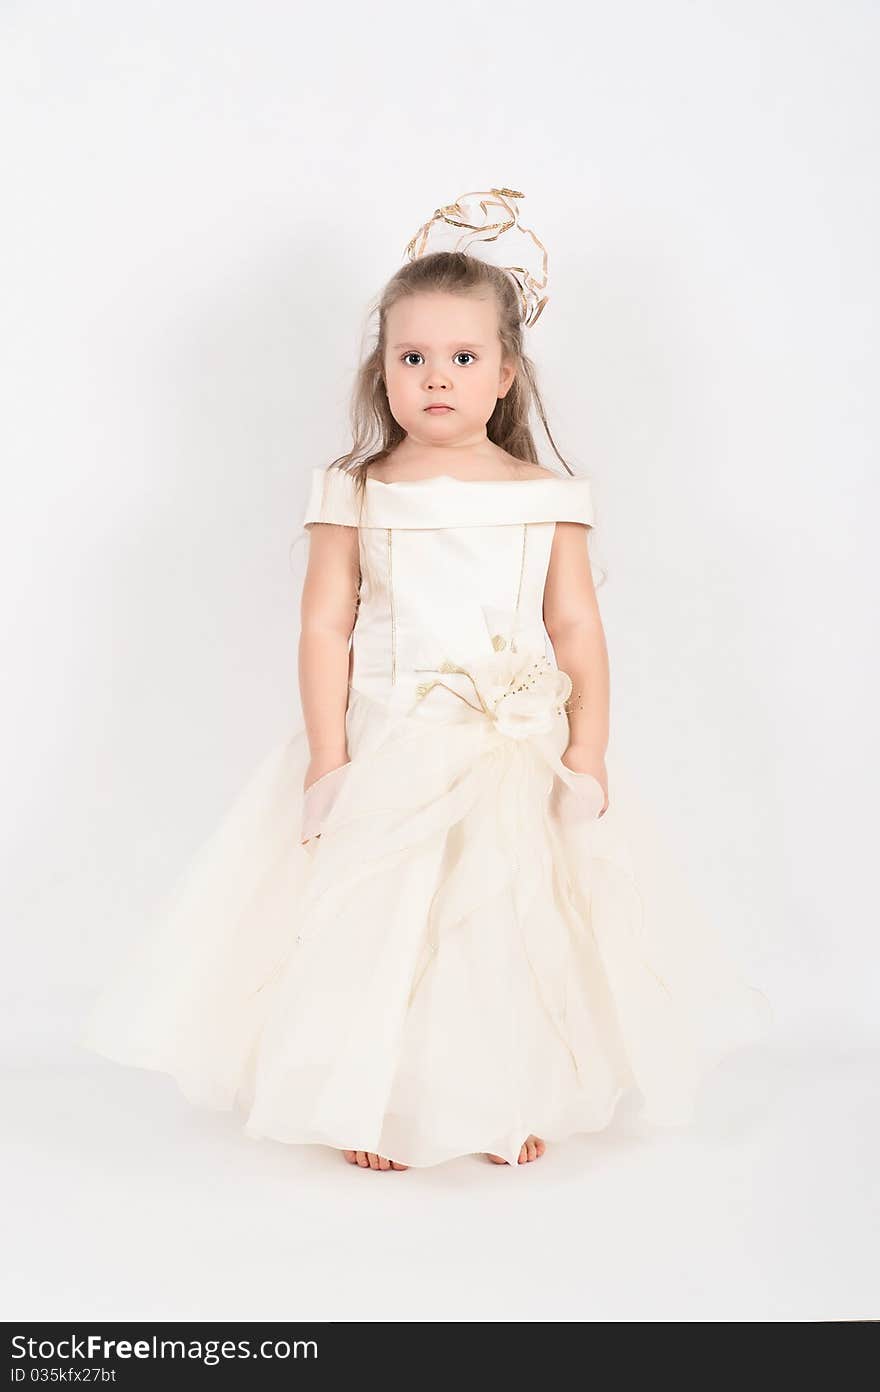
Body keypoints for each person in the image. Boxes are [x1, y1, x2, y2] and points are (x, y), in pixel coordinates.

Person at [80, 188, 770, 1171]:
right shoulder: (355, 492)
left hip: (510, 750)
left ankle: (510, 1095)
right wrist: (329, 758)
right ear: (382, 371)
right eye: (412, 358)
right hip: (391, 740)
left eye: (461, 358)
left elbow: (573, 623)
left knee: (507, 923)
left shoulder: (545, 497)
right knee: (382, 929)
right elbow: (325, 625)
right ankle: (383, 1104)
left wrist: (587, 749)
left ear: (503, 375)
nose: (435, 378)